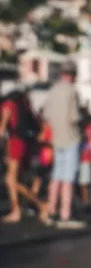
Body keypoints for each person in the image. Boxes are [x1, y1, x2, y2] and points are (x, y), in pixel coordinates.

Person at [40, 65, 85, 229]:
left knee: (56, 175)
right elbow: (75, 117)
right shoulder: (72, 91)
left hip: (56, 138)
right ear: (73, 75)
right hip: (71, 137)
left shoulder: (52, 91)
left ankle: (52, 210)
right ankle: (65, 214)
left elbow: (45, 114)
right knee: (68, 178)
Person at [1, 89, 43, 222]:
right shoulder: (22, 106)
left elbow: (2, 129)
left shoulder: (7, 106)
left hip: (14, 143)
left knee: (11, 180)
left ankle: (40, 205)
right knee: (14, 179)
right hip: (24, 143)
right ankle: (17, 209)